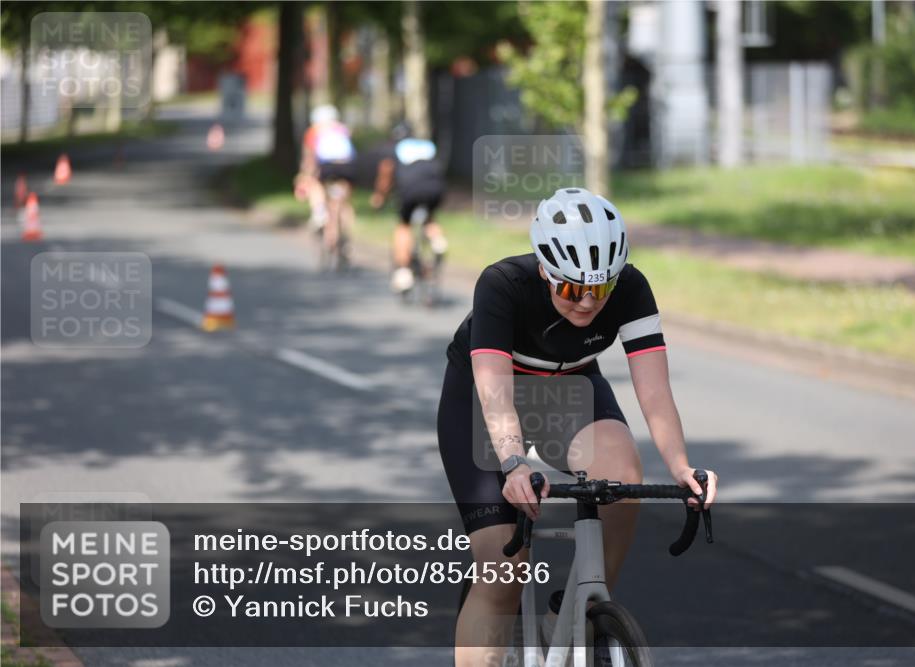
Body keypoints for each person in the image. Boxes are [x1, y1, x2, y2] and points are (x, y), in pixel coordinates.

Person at [436, 187, 719, 665]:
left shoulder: (631, 287)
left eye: (601, 288)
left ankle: (574, 612)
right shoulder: (502, 284)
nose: (587, 302)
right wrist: (513, 462)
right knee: (502, 568)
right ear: (546, 269)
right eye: (571, 288)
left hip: (569, 390)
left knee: (624, 478)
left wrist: (681, 466)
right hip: (485, 400)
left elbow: (653, 391)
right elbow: (494, 389)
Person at [370, 123, 448, 292]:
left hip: (410, 188)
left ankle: (404, 272)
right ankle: (437, 240)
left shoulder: (395, 148)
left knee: (404, 226)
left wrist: (379, 196)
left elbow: (386, 173)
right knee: (429, 218)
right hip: (435, 187)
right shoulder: (426, 145)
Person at [296, 105, 357, 262]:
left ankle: (319, 212)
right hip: (346, 168)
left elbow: (309, 157)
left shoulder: (314, 131)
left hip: (327, 168)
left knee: (315, 184)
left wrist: (305, 175)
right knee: (343, 202)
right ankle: (345, 234)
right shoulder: (343, 129)